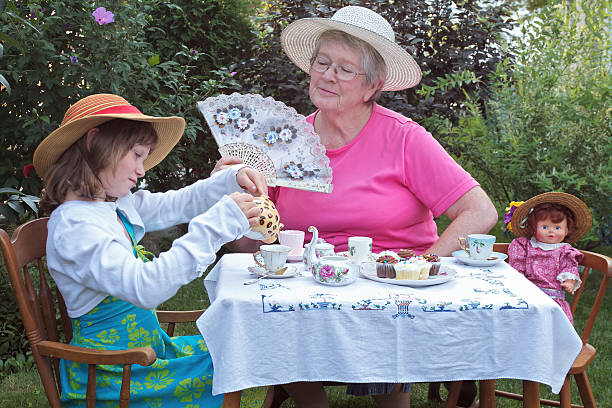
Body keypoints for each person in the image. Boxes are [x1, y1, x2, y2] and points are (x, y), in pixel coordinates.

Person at [216, 6, 498, 408]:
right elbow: (253, 245)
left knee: (380, 323)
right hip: (309, 289)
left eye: (345, 69)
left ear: (372, 85)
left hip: (390, 289)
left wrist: (419, 269)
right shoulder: (284, 142)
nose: (328, 75)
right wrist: (229, 203)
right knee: (274, 315)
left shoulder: (404, 140)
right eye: (322, 63)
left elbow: (480, 212)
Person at [33, 93, 270, 407]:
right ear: (93, 142)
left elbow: (175, 204)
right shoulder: (76, 228)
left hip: (142, 357)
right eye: (136, 154)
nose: (141, 169)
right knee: (241, 364)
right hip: (113, 375)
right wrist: (216, 225)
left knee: (247, 349)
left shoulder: (110, 205)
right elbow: (145, 287)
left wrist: (228, 180)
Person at [506, 192, 592, 324]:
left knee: (554, 328)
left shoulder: (565, 251)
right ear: (534, 228)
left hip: (553, 299)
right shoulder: (525, 246)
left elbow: (569, 266)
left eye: (557, 227)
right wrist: (519, 283)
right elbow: (518, 268)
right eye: (545, 227)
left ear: (567, 230)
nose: (551, 231)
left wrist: (570, 281)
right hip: (528, 294)